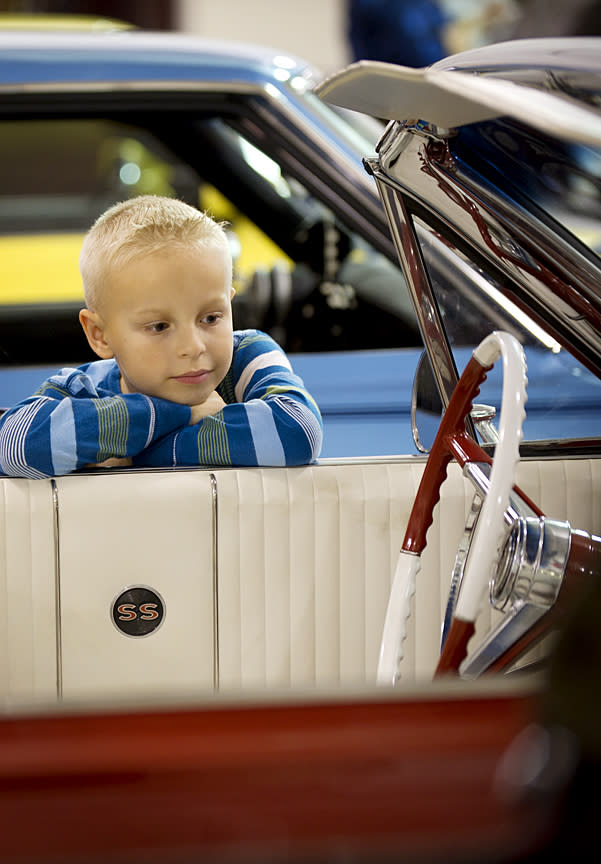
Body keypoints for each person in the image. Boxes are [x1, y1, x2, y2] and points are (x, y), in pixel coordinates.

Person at [0, 195, 323, 478]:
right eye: (159, 327)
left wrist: (139, 454)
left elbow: (298, 431)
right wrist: (184, 415)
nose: (193, 347)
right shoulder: (83, 388)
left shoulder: (247, 355)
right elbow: (12, 446)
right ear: (100, 335)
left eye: (211, 318)